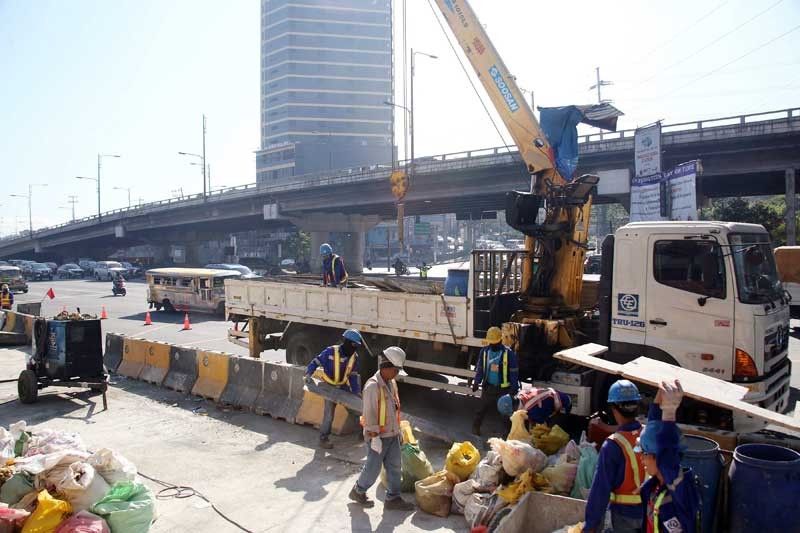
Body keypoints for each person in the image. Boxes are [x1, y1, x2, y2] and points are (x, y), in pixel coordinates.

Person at [349, 346, 415, 511]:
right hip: (378, 437)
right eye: (396, 370)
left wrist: (398, 431)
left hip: (391, 434)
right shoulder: (372, 387)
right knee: (372, 468)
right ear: (387, 367)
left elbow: (394, 409)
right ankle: (358, 491)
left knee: (395, 467)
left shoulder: (391, 383)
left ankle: (393, 498)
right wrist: (374, 437)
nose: (397, 374)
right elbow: (369, 413)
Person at [638, 380, 700, 533]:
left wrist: (670, 412)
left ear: (658, 458)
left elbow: (667, 452)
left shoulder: (679, 487)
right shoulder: (657, 485)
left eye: (644, 454)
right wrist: (661, 395)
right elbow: (655, 425)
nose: (641, 459)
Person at [584, 380, 645, 533]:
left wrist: (591, 525)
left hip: (625, 516)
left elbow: (600, 490)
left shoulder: (613, 445)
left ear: (613, 409)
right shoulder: (648, 434)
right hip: (650, 511)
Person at [304, 329, 363, 449]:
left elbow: (353, 376)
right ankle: (323, 439)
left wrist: (357, 393)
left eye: (356, 346)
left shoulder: (353, 357)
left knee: (356, 410)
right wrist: (309, 374)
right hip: (328, 387)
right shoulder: (330, 352)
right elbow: (316, 362)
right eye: (353, 345)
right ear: (347, 342)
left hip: (343, 387)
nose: (354, 348)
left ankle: (363, 433)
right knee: (329, 414)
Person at [471, 326, 520, 436]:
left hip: (503, 390)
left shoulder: (509, 353)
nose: (492, 345)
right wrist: (476, 382)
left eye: (495, 343)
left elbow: (513, 372)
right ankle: (476, 428)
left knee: (505, 413)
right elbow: (480, 368)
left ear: (501, 341)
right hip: (488, 388)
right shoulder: (484, 352)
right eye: (491, 343)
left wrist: (514, 388)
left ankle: (508, 434)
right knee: (481, 410)